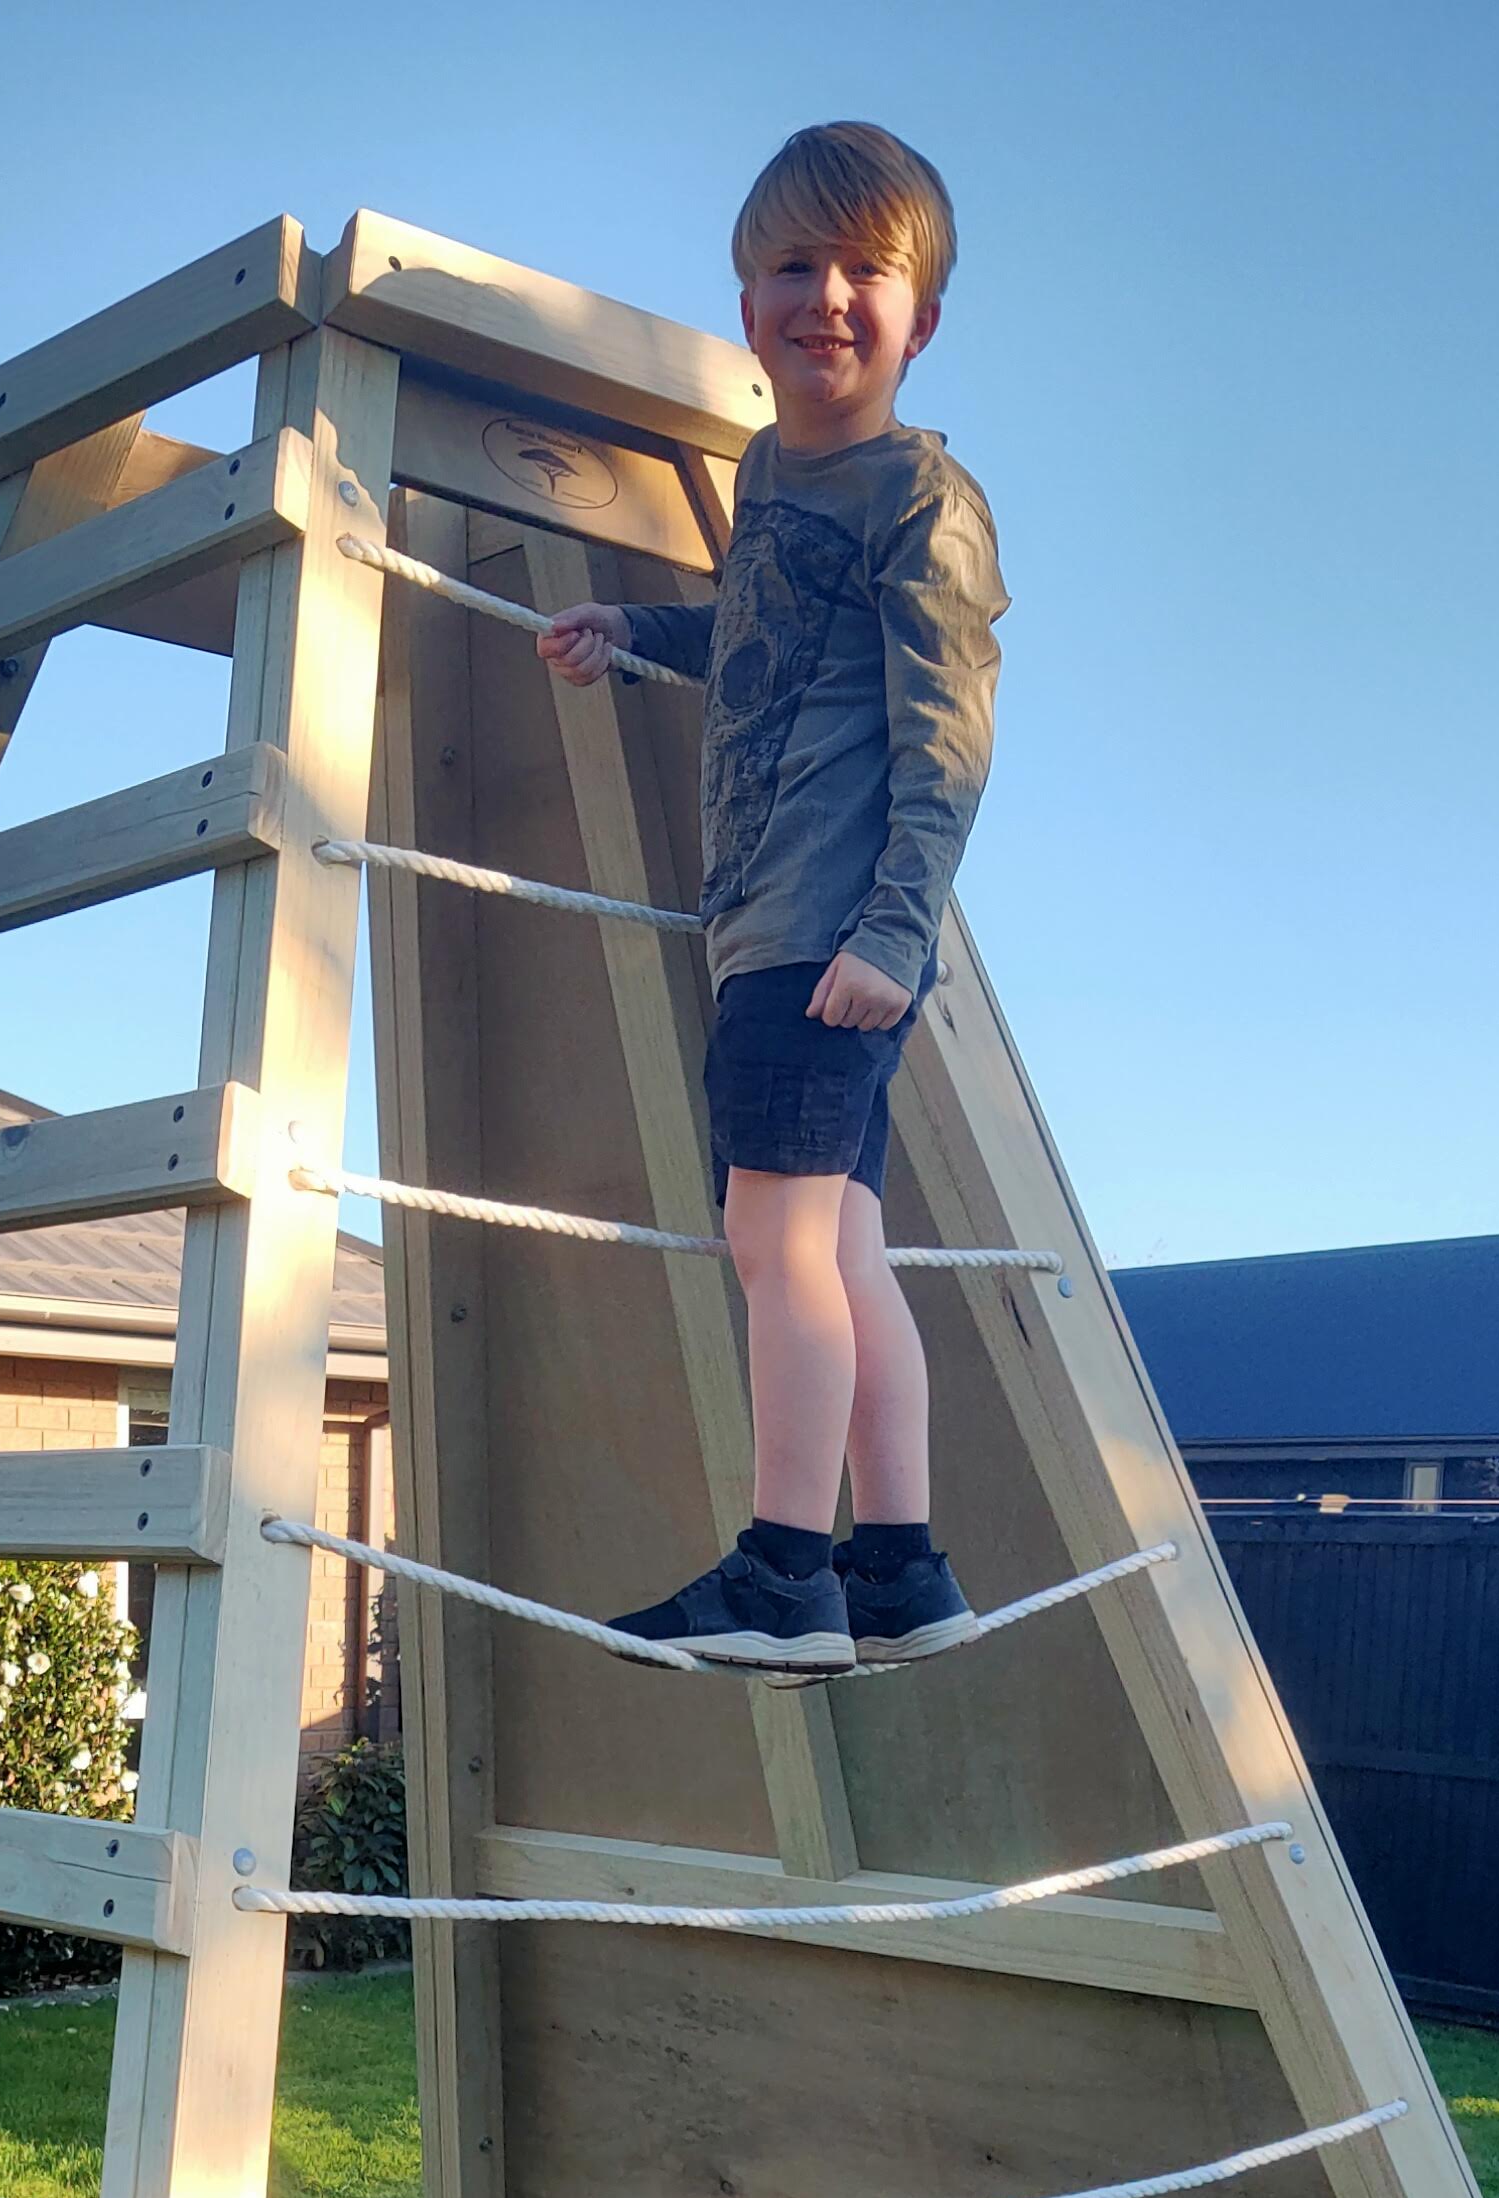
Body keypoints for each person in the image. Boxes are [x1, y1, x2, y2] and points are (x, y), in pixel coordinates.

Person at [539, 118, 1007, 1671]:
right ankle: (898, 1567)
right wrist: (635, 632)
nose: (826, 296)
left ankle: (782, 1575)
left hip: (824, 941)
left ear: (920, 318)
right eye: (793, 266)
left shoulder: (919, 499)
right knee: (845, 1249)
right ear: (747, 306)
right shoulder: (768, 479)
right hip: (765, 929)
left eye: (865, 269)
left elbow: (948, 744)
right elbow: (758, 637)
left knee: (774, 1247)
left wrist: (895, 933)